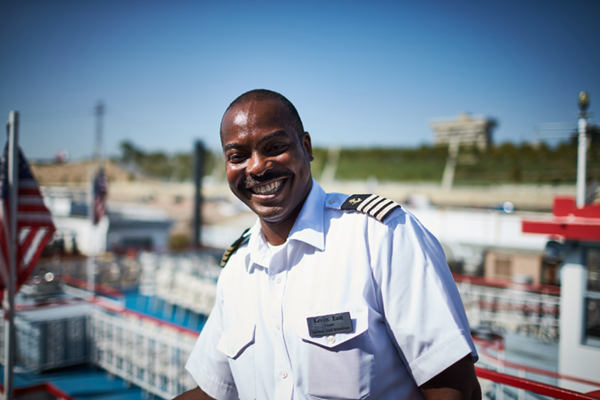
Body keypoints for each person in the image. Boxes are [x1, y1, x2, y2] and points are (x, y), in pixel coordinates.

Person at [176, 89, 481, 400]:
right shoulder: (237, 268)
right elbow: (215, 392)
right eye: (237, 156)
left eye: (275, 147)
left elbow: (456, 390)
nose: (256, 167)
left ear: (306, 147)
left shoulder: (381, 237)